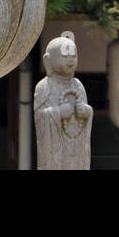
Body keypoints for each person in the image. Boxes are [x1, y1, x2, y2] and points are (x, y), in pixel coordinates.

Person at [33, 31, 92, 169]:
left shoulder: (78, 85)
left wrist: (87, 112)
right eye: (65, 56)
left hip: (76, 149)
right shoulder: (44, 86)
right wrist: (58, 112)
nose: (70, 60)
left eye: (73, 56)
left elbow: (86, 113)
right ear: (48, 60)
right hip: (54, 153)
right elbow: (39, 117)